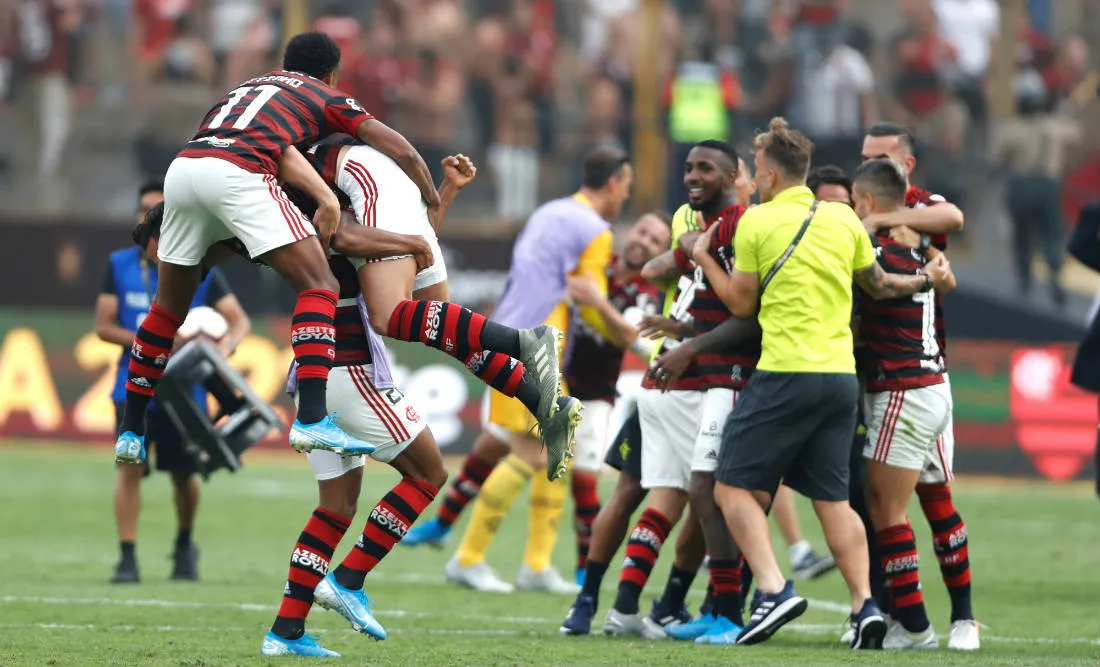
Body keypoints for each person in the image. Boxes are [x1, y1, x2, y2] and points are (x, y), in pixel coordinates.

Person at [112, 31, 439, 466]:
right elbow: (399, 148)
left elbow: (232, 144)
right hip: (240, 173)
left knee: (166, 311)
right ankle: (312, 418)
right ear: (332, 74)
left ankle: (131, 430)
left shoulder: (247, 87)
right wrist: (432, 195)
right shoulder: (324, 94)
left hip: (184, 170)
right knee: (319, 283)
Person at [694, 117, 949, 647]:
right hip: (839, 380)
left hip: (786, 372)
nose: (755, 179)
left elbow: (740, 303)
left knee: (730, 487)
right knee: (833, 500)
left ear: (768, 175)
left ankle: (772, 590)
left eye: (757, 170)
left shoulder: (757, 222)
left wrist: (702, 258)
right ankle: (864, 605)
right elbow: (880, 285)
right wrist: (927, 278)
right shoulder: (841, 219)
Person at [260, 156, 478, 659]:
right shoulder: (328, 218)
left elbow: (404, 251)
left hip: (318, 376)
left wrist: (445, 191)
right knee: (428, 473)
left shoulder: (297, 218)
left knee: (335, 507)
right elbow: (389, 246)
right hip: (349, 369)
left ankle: (285, 631)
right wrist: (415, 237)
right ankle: (349, 579)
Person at [301, 135, 569, 467]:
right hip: (390, 201)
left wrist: (415, 237)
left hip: (351, 349)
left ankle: (525, 342)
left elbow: (348, 236)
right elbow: (413, 232)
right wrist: (446, 191)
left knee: (390, 317)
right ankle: (545, 404)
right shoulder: (360, 186)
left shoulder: (307, 180)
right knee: (450, 332)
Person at [438, 146, 631, 594]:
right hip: (538, 343)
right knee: (533, 454)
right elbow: (593, 305)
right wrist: (631, 336)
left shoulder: (550, 211)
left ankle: (536, 565)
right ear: (613, 183)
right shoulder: (595, 231)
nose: (626, 196)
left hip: (509, 331)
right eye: (627, 186)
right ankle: (468, 559)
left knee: (554, 449)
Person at [860, 122, 979, 650]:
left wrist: (886, 219)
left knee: (886, 507)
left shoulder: (914, 211)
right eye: (866, 156)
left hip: (905, 379)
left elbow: (954, 217)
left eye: (881, 156)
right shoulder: (888, 227)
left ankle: (918, 627)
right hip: (926, 377)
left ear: (907, 165)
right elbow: (943, 272)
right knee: (933, 498)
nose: (871, 163)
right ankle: (945, 620)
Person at [97, 181, 250, 584]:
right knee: (129, 469)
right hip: (132, 383)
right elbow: (103, 326)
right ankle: (127, 557)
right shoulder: (119, 264)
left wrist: (222, 349)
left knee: (184, 473)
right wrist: (152, 339)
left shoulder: (200, 266)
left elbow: (239, 322)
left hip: (185, 388)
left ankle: (184, 545)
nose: (152, 218)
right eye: (145, 210)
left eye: (160, 210)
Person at [557, 213, 670, 584]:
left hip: (597, 392)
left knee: (585, 478)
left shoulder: (646, 294)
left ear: (662, 252)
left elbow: (633, 339)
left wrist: (596, 301)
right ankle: (449, 530)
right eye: (642, 231)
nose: (644, 242)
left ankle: (582, 568)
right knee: (514, 455)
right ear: (629, 230)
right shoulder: (595, 263)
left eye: (655, 241)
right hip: (555, 378)